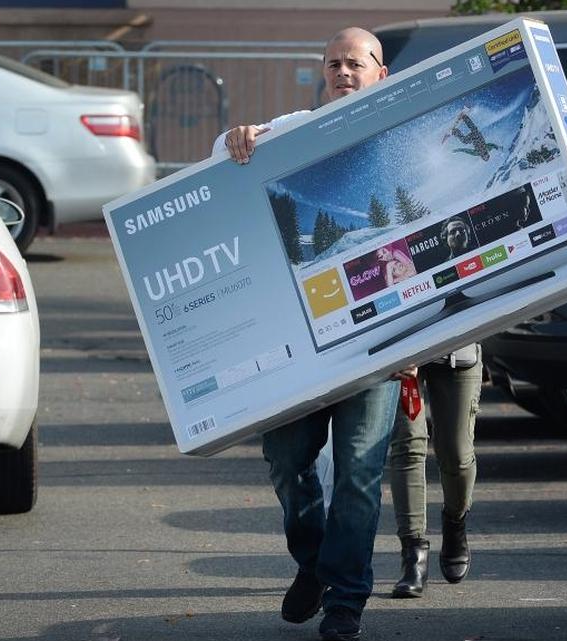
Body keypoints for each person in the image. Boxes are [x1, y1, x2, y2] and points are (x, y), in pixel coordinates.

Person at [215, 28, 400, 641]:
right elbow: (224, 158)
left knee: (359, 471)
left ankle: (346, 598)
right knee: (287, 459)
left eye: (355, 63)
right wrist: (238, 137)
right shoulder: (296, 129)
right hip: (298, 341)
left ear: (380, 72)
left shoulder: (399, 128)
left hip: (378, 343)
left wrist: (422, 344)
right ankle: (314, 563)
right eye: (333, 63)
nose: (343, 72)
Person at [387, 344, 482, 598]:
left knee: (457, 454)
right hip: (402, 348)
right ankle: (413, 554)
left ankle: (455, 521)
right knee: (408, 445)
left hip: (456, 347)